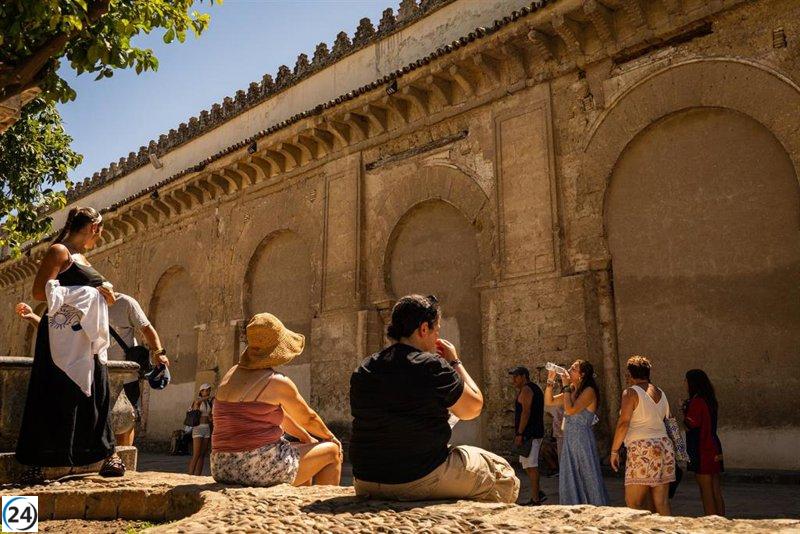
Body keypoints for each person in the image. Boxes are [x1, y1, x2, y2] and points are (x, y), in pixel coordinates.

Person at [350, 294, 519, 503]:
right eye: (436, 330)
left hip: (365, 479)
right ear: (423, 329)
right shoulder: (431, 365)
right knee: (502, 473)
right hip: (417, 476)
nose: (436, 336)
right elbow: (473, 408)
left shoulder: (364, 368)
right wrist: (455, 361)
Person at [15, 207, 123, 484]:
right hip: (60, 338)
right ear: (93, 228)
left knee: (97, 393)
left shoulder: (83, 258)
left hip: (86, 340)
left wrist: (104, 296)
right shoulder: (58, 252)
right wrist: (90, 292)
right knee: (52, 393)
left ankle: (104, 454)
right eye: (99, 231)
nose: (98, 236)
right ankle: (39, 462)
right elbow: (40, 292)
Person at [14, 297, 169, 446]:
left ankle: (124, 461)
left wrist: (158, 353)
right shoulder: (81, 306)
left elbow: (146, 328)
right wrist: (32, 316)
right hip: (92, 376)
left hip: (124, 378)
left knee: (126, 421)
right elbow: (58, 335)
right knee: (93, 421)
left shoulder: (125, 303)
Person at [211, 313, 342, 487]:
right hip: (252, 466)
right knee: (332, 452)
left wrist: (306, 438)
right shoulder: (276, 382)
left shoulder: (231, 373)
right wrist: (331, 437)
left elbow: (280, 417)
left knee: (299, 453)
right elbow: (308, 418)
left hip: (221, 465)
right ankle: (322, 509)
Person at [610, 355, 675, 516]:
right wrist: (680, 450)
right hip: (664, 447)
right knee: (662, 503)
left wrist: (614, 451)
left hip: (642, 448)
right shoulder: (660, 392)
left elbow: (623, 423)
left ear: (630, 374)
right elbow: (671, 422)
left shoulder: (630, 393)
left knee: (633, 503)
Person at [545, 359, 608, 506]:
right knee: (570, 476)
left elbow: (571, 410)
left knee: (586, 475)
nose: (569, 370)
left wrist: (566, 386)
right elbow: (549, 402)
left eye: (574, 369)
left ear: (582, 374)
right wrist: (550, 381)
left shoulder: (589, 391)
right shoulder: (572, 390)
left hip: (582, 440)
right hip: (569, 440)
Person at [683, 369, 725, 516]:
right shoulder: (710, 400)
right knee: (716, 490)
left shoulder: (697, 402)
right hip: (714, 446)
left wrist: (684, 411)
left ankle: (712, 525)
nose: (685, 384)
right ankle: (721, 522)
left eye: (686, 381)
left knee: (706, 491)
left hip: (703, 449)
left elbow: (691, 424)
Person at [509, 365, 546, 505]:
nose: (514, 380)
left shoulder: (526, 389)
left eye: (516, 376)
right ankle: (537, 493)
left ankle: (536, 499)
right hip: (530, 433)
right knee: (527, 466)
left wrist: (520, 433)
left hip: (530, 434)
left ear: (524, 376)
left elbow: (526, 412)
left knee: (532, 465)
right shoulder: (531, 388)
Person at [188, 383, 214, 475]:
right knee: (196, 454)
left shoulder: (208, 403)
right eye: (205, 390)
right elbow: (196, 405)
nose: (207, 392)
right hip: (198, 428)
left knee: (202, 454)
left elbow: (210, 417)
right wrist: (211, 397)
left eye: (208, 390)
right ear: (201, 391)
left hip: (206, 428)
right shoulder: (198, 401)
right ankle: (190, 474)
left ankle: (197, 475)